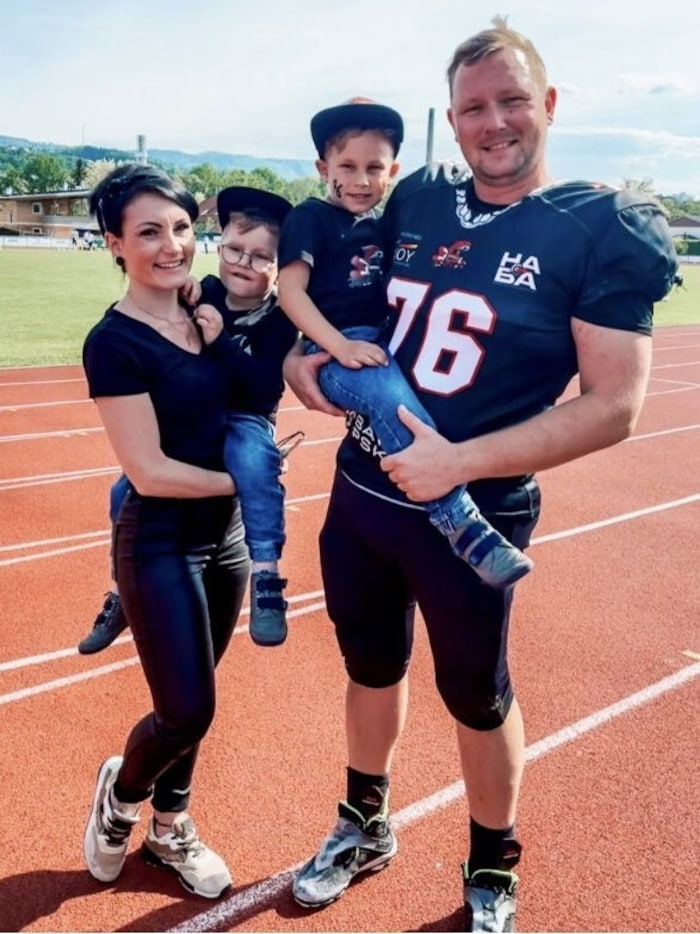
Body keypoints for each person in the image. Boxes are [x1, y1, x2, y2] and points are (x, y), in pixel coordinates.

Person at [282, 17, 678, 932]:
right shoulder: (415, 197)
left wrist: (457, 462)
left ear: (546, 104)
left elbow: (615, 404)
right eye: (473, 108)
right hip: (361, 496)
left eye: (510, 101)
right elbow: (339, 298)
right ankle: (363, 823)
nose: (492, 122)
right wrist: (304, 368)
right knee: (369, 669)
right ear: (451, 122)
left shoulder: (596, 227)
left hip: (476, 512)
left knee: (477, 690)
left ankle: (493, 863)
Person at [81, 163, 266, 899]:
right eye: (149, 231)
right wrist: (246, 481)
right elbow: (150, 470)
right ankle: (121, 798)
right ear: (114, 245)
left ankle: (170, 828)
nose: (172, 245)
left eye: (183, 228)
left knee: (195, 699)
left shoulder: (207, 307)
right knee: (188, 707)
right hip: (159, 539)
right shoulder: (113, 342)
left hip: (227, 542)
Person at [277, 97, 532, 589]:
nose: (360, 179)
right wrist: (337, 346)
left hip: (378, 340)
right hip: (338, 347)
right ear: (321, 167)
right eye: (346, 166)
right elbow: (289, 292)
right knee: (391, 401)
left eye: (375, 167)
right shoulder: (310, 218)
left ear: (392, 170)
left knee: (402, 393)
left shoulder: (383, 220)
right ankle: (459, 521)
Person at [77, 186, 299, 653]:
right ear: (220, 245)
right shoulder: (207, 292)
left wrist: (219, 343)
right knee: (123, 489)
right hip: (203, 415)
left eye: (262, 258)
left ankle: (267, 577)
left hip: (246, 418)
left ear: (280, 266)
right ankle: (121, 589)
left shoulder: (279, 318)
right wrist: (185, 291)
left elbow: (264, 387)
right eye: (235, 249)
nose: (244, 263)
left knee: (255, 463)